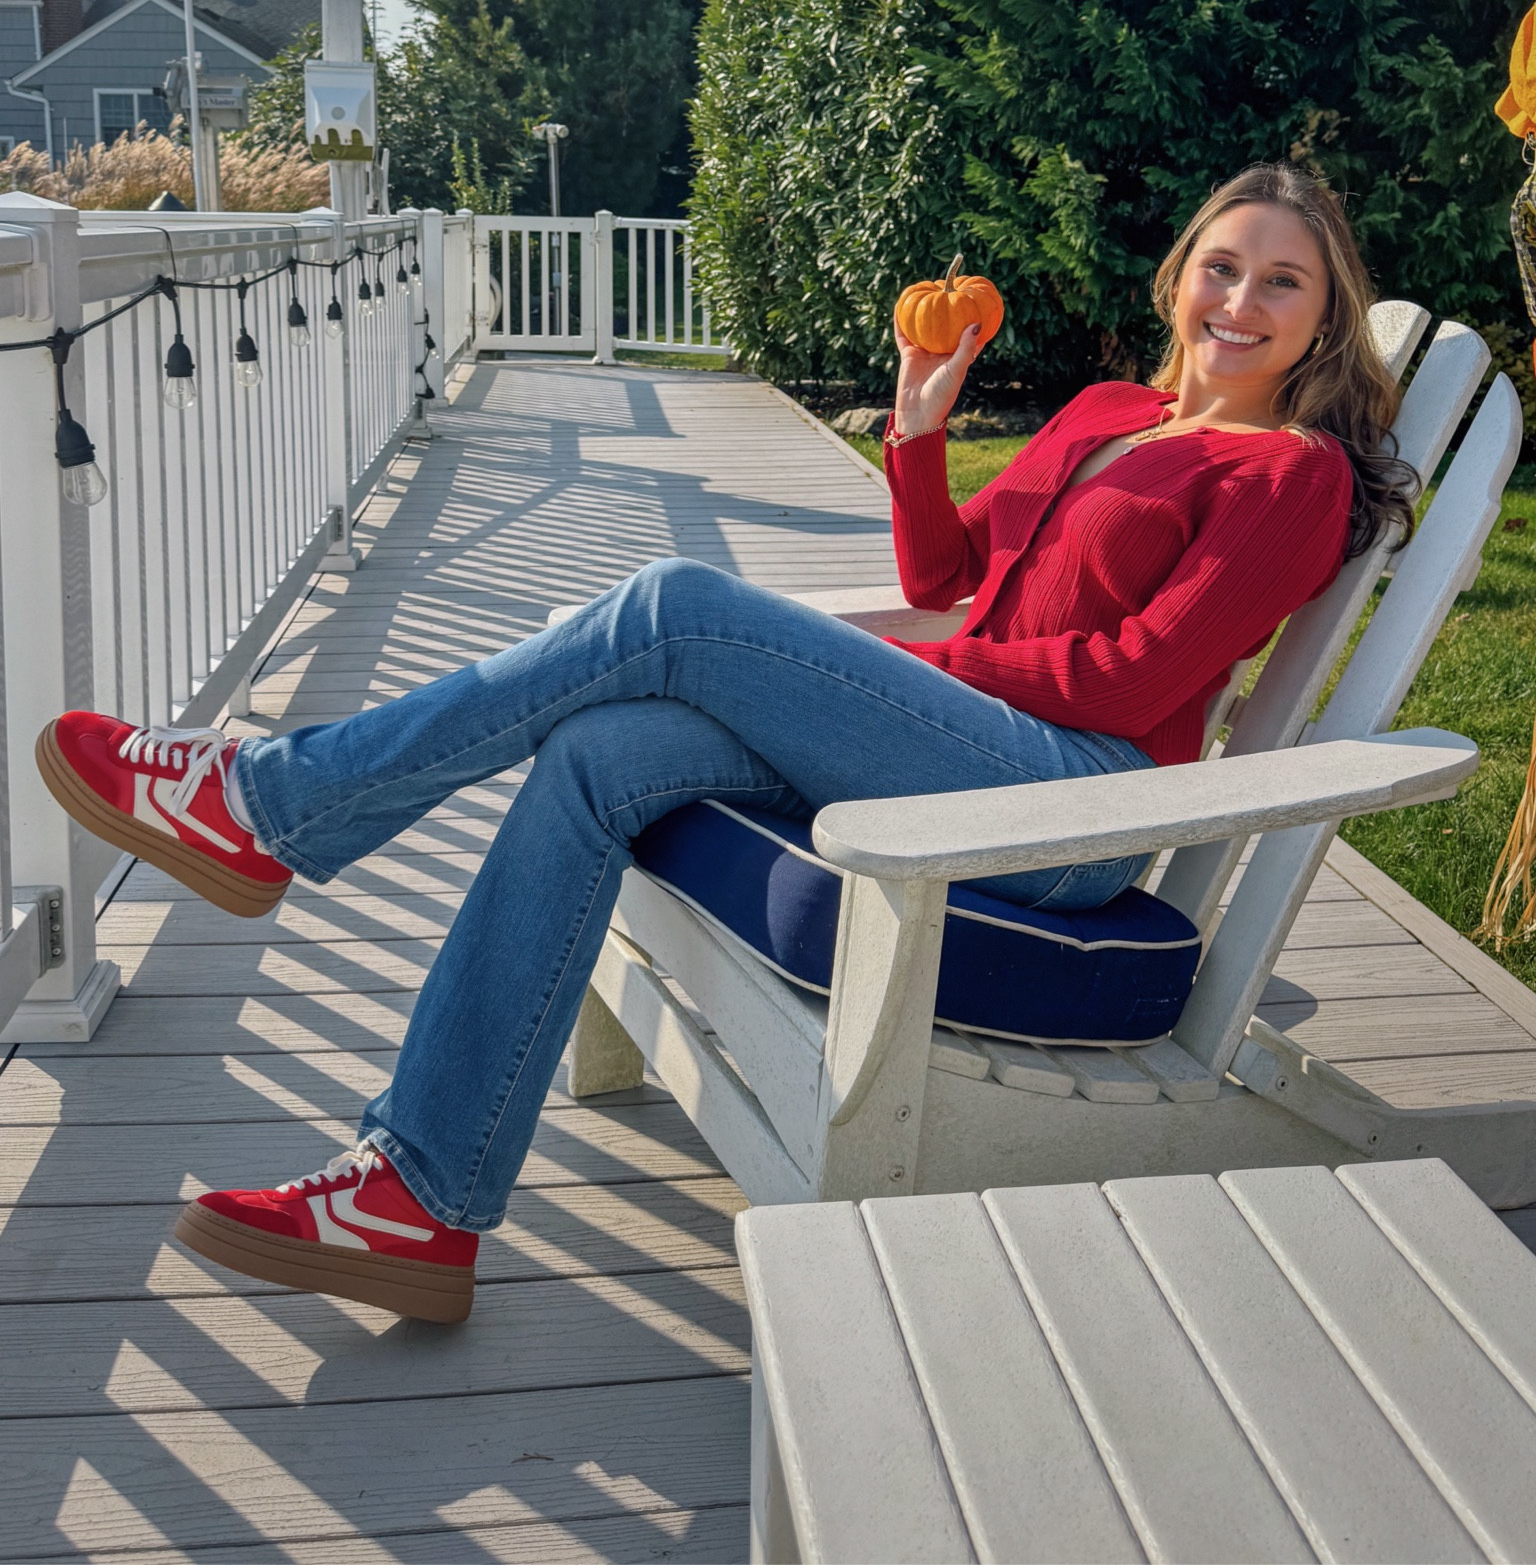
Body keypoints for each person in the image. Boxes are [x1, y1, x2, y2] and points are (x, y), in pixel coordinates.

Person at [37, 162, 1415, 1323]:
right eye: (1221, 268)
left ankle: (270, 804)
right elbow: (945, 575)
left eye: (1280, 283)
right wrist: (922, 424)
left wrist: (898, 669)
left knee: (674, 607)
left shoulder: (1292, 475)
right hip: (971, 743)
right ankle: (418, 1196)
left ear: (1324, 314)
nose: (1239, 303)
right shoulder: (1115, 413)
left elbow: (1128, 685)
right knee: (605, 752)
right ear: (1180, 276)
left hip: (1069, 809)